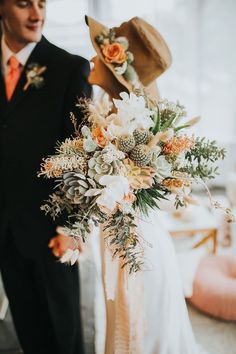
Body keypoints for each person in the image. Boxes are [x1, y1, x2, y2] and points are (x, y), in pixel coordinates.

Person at [86, 16, 206, 354]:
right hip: (121, 239)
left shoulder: (132, 126)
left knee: (142, 326)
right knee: (123, 320)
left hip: (137, 244)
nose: (93, 58)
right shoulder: (106, 111)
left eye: (99, 52)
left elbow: (148, 188)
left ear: (114, 67)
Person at [0, 1, 91, 354]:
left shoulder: (69, 68)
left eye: (42, 3)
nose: (36, 14)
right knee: (30, 336)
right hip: (6, 234)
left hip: (52, 234)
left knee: (62, 340)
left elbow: (83, 156)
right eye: (24, 3)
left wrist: (73, 228)